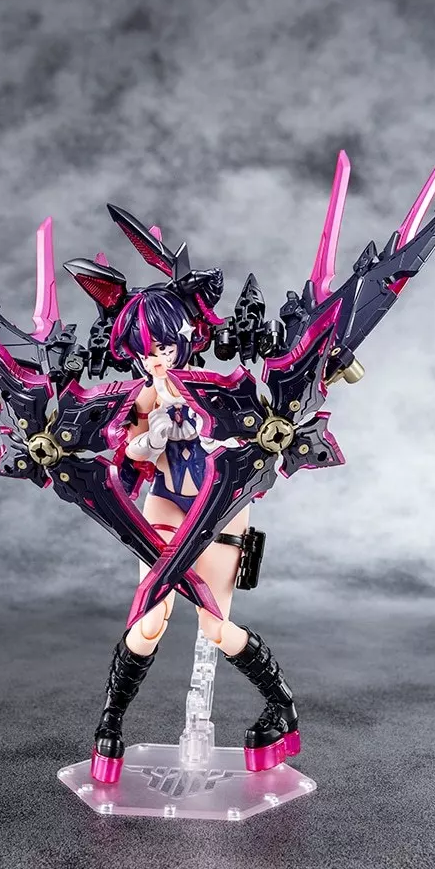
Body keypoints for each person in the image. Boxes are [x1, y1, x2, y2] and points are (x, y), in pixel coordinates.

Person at [90, 283, 301, 784]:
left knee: (215, 626)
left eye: (164, 347)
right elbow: (128, 452)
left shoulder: (214, 387)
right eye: (146, 351)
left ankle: (281, 708)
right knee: (148, 618)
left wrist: (209, 430)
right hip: (165, 501)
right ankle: (111, 721)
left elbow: (248, 438)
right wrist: (151, 437)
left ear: (184, 341)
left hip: (220, 508)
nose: (156, 359)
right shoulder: (144, 395)